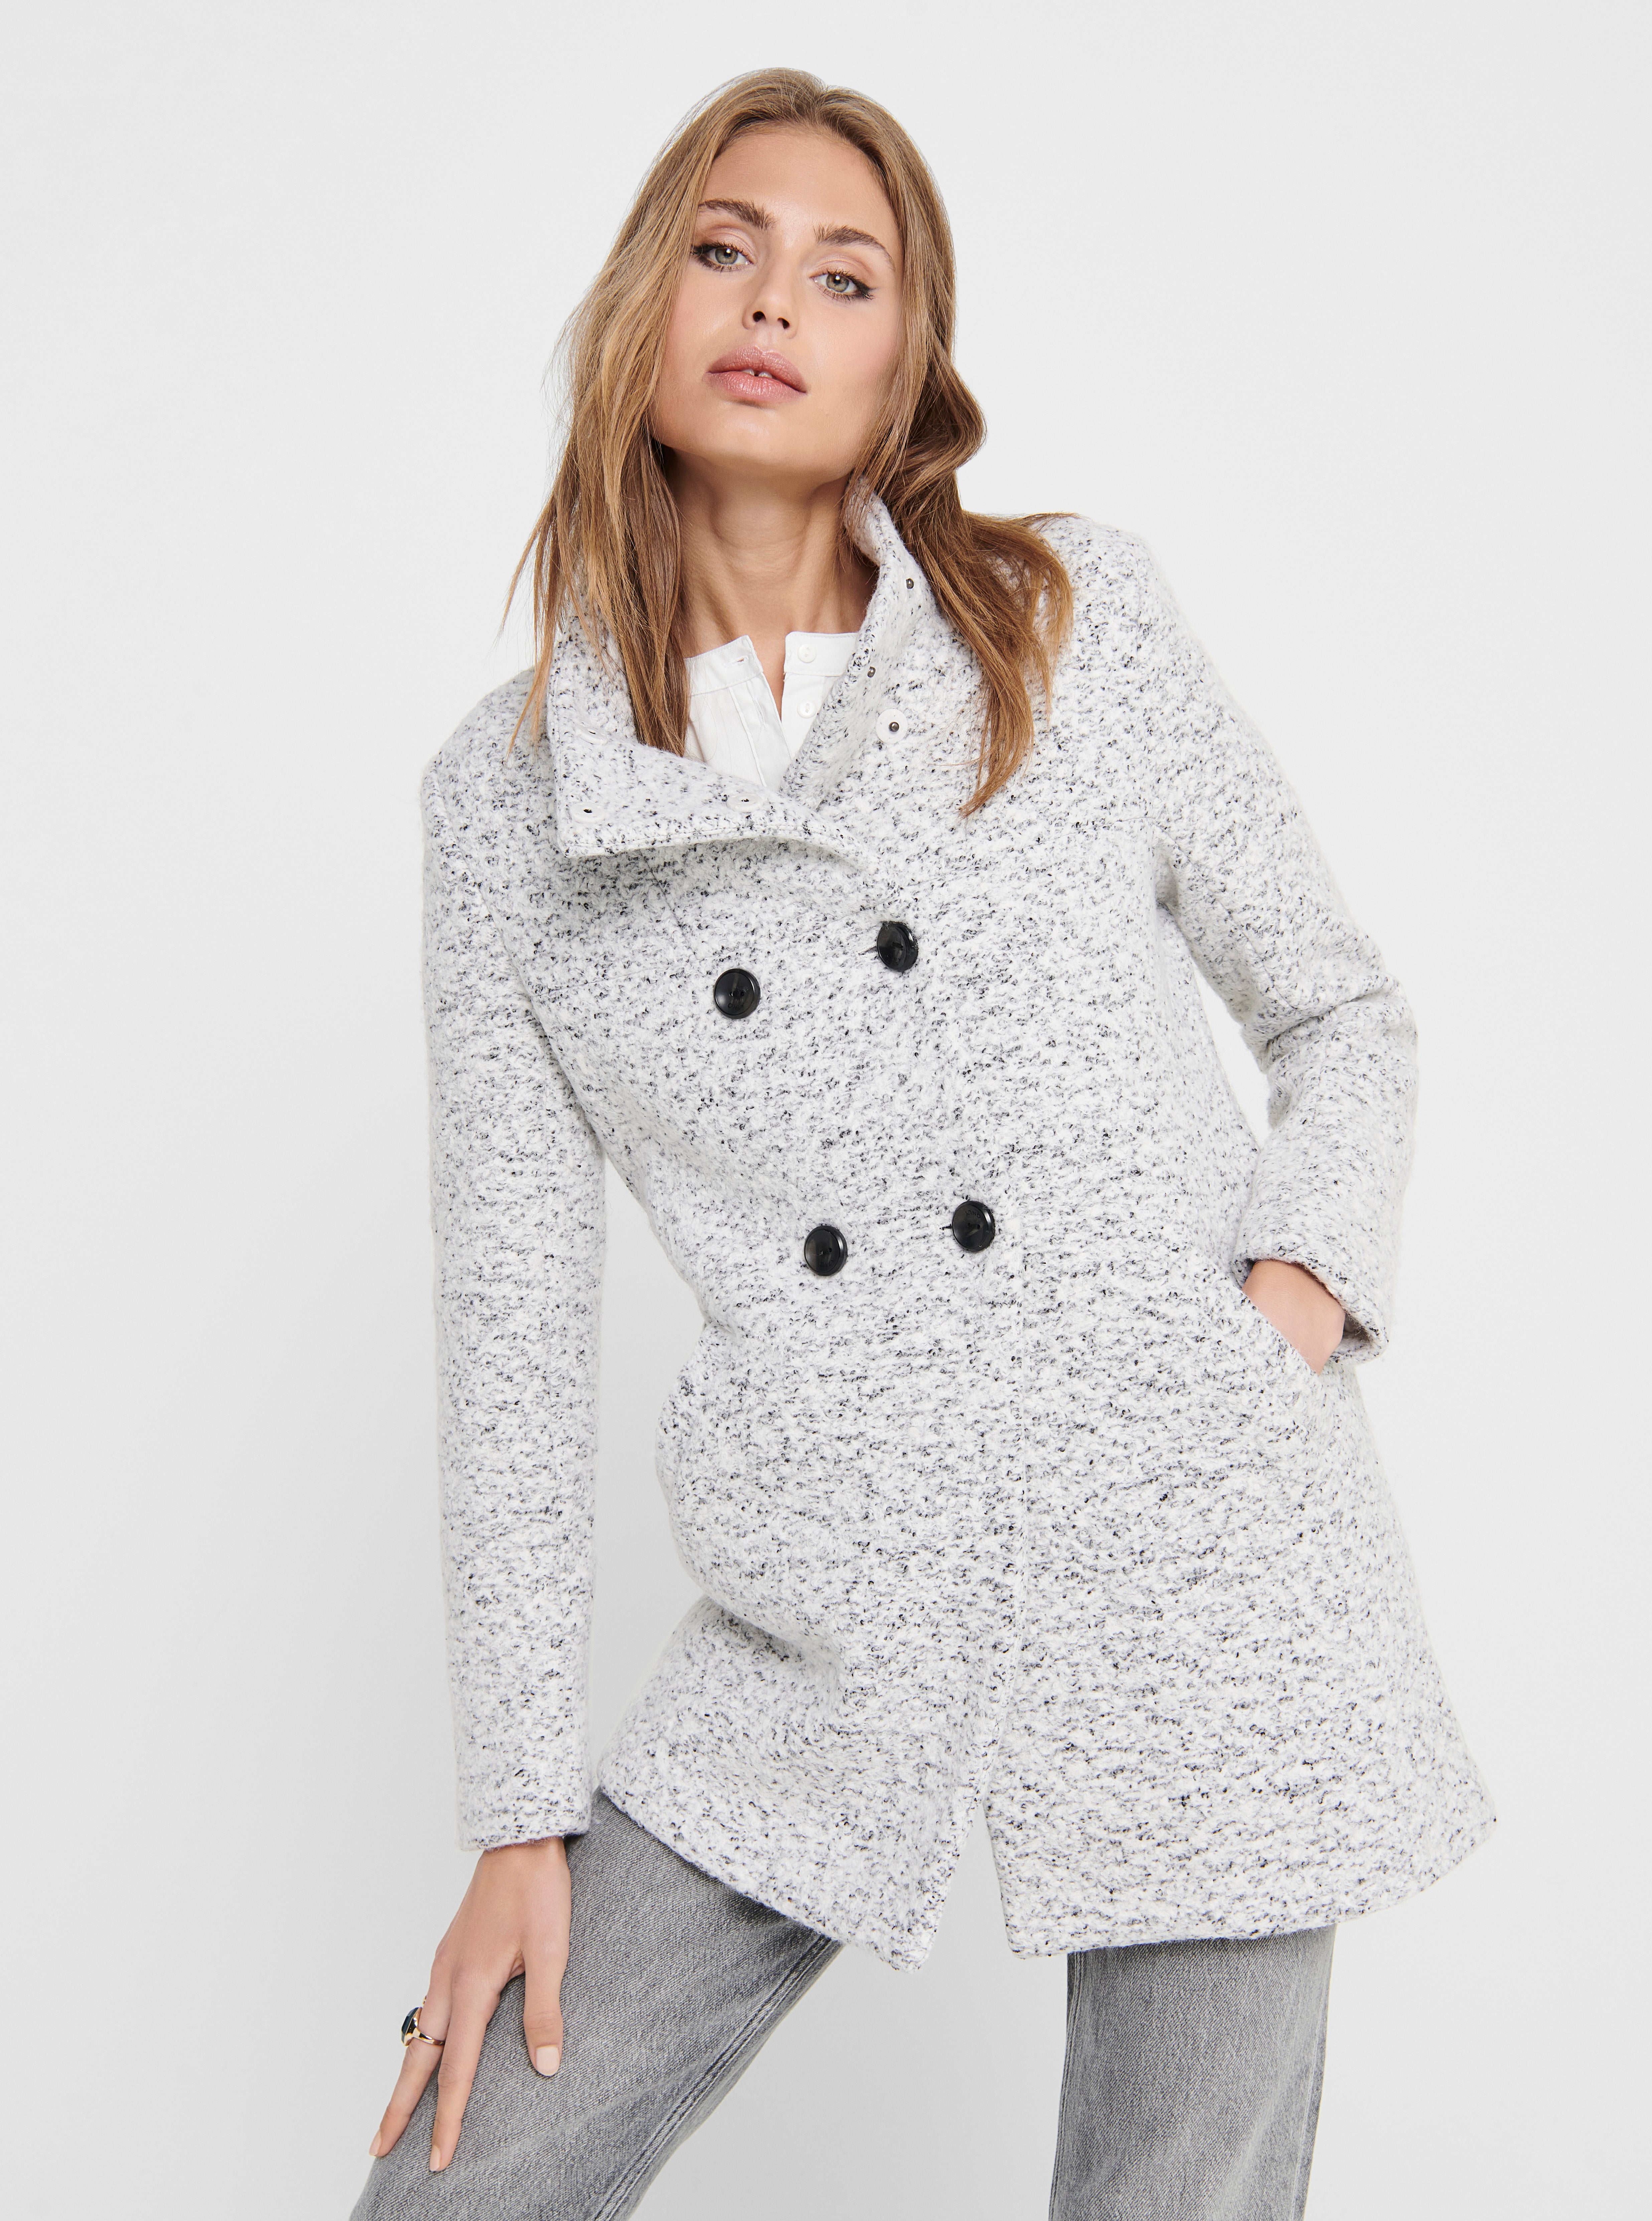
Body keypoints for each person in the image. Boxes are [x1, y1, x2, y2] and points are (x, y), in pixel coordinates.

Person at [355, 67, 1494, 2220]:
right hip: (820, 1599)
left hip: (1194, 1543)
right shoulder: (509, 806)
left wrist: (1268, 1327)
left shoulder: (1069, 623)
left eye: (844, 272)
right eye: (725, 248)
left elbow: (1341, 1011)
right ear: (646, 304)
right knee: (461, 2186)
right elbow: (511, 1338)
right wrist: (517, 1816)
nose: (774, 299)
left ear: (907, 364)